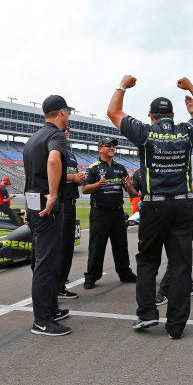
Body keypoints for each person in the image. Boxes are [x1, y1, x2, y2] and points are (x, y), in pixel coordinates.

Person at [107, 75, 193, 339]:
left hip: (154, 207)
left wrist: (123, 86)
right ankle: (176, 326)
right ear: (173, 115)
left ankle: (147, 314)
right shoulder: (186, 130)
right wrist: (191, 87)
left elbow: (113, 111)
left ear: (151, 116)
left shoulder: (145, 132)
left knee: (148, 261)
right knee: (180, 265)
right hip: (183, 205)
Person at [23, 94, 72, 336]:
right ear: (61, 112)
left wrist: (28, 205)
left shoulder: (34, 138)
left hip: (34, 204)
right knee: (46, 263)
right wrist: (53, 194)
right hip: (47, 205)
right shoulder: (56, 135)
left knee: (45, 260)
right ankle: (42, 320)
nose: (69, 116)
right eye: (68, 112)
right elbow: (54, 160)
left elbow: (27, 175)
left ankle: (50, 308)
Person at [82, 138, 137, 289]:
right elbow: (85, 189)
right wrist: (97, 185)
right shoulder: (93, 168)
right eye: (109, 146)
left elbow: (132, 193)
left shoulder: (121, 168)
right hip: (100, 213)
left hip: (118, 212)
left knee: (121, 245)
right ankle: (92, 276)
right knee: (97, 246)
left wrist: (130, 186)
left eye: (113, 146)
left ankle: (125, 273)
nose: (112, 148)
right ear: (100, 149)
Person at [155, 146, 193, 305]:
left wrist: (178, 190)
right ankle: (187, 285)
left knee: (177, 251)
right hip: (166, 206)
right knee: (181, 251)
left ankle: (164, 291)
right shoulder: (167, 152)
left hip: (184, 206)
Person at [58, 128, 86, 299]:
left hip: (71, 203)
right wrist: (71, 177)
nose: (66, 132)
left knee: (68, 248)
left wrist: (80, 177)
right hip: (59, 204)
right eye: (63, 130)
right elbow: (50, 173)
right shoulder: (53, 151)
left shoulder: (71, 155)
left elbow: (71, 175)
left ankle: (61, 285)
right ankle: (54, 286)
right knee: (59, 248)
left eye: (67, 131)